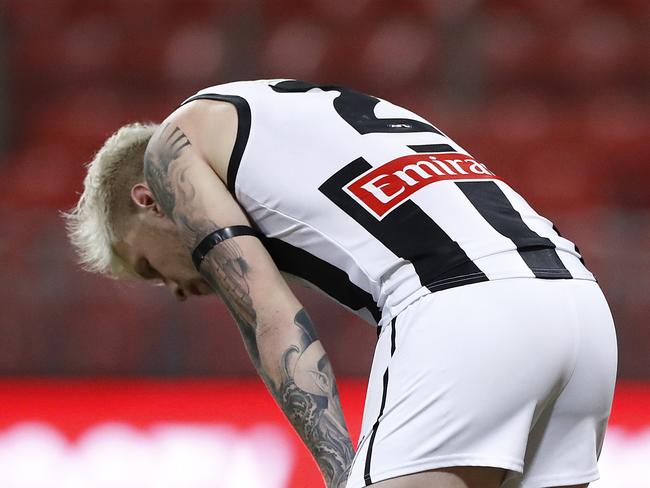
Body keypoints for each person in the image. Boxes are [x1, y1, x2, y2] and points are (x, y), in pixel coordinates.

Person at [64, 79, 617, 488]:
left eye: (150, 268)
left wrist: (340, 475)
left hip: (463, 308)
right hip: (579, 305)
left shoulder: (170, 152)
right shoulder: (289, 109)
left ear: (148, 199)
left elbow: (271, 316)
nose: (178, 291)